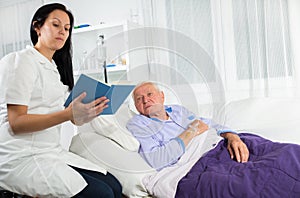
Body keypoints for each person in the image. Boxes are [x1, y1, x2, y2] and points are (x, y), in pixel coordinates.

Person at [0, 3, 122, 198]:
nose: (62, 32)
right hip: (20, 156)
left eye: (66, 28)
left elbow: (63, 115)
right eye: (56, 25)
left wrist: (84, 114)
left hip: (50, 152)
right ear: (37, 27)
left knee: (115, 186)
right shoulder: (20, 61)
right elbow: (16, 123)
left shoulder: (53, 69)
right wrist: (67, 114)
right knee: (102, 194)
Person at [126, 81, 249, 171]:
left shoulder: (177, 110)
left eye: (149, 94)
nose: (145, 100)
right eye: (139, 99)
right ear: (136, 107)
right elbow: (157, 160)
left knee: (260, 148)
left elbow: (208, 123)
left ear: (162, 96)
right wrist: (191, 131)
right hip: (199, 161)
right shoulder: (137, 124)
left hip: (220, 143)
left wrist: (232, 136)